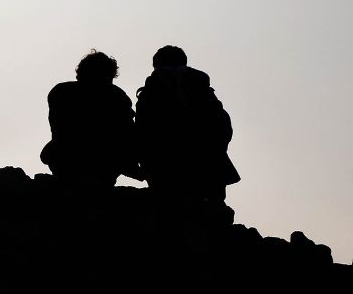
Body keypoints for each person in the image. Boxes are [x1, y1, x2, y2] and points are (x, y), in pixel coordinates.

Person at [134, 45, 240, 202]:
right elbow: (224, 127)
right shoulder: (203, 90)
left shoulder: (151, 93)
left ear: (157, 65)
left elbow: (143, 134)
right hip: (209, 172)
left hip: (166, 173)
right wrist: (213, 152)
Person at [40, 50, 139, 189]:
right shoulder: (116, 96)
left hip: (64, 163)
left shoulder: (60, 92)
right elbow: (129, 132)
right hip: (102, 165)